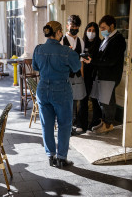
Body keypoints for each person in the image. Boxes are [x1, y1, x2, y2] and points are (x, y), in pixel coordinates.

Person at [32, 21, 81, 168]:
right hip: (61, 90)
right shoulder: (67, 51)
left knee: (46, 124)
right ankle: (61, 158)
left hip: (42, 89)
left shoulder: (38, 49)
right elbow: (77, 67)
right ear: (59, 32)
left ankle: (50, 156)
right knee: (64, 124)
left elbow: (35, 67)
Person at [83, 15, 126, 134]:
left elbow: (111, 60)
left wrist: (93, 61)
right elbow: (101, 56)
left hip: (110, 76)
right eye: (101, 28)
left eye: (103, 27)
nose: (101, 30)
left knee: (108, 102)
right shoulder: (106, 39)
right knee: (101, 100)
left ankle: (109, 124)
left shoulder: (118, 39)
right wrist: (91, 58)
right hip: (101, 75)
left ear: (111, 26)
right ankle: (104, 122)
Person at [60, 15, 86, 134]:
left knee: (76, 101)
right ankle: (67, 127)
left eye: (76, 26)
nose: (74, 28)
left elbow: (81, 61)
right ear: (67, 26)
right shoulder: (61, 40)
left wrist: (82, 75)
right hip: (65, 76)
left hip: (77, 76)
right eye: (72, 26)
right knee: (66, 102)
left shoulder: (81, 41)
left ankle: (73, 125)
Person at [75, 22, 102, 133]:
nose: (91, 32)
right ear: (86, 31)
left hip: (95, 76)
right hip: (83, 75)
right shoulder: (81, 42)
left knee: (95, 100)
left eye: (93, 30)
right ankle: (81, 124)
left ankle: (95, 123)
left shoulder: (100, 43)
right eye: (89, 30)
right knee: (83, 100)